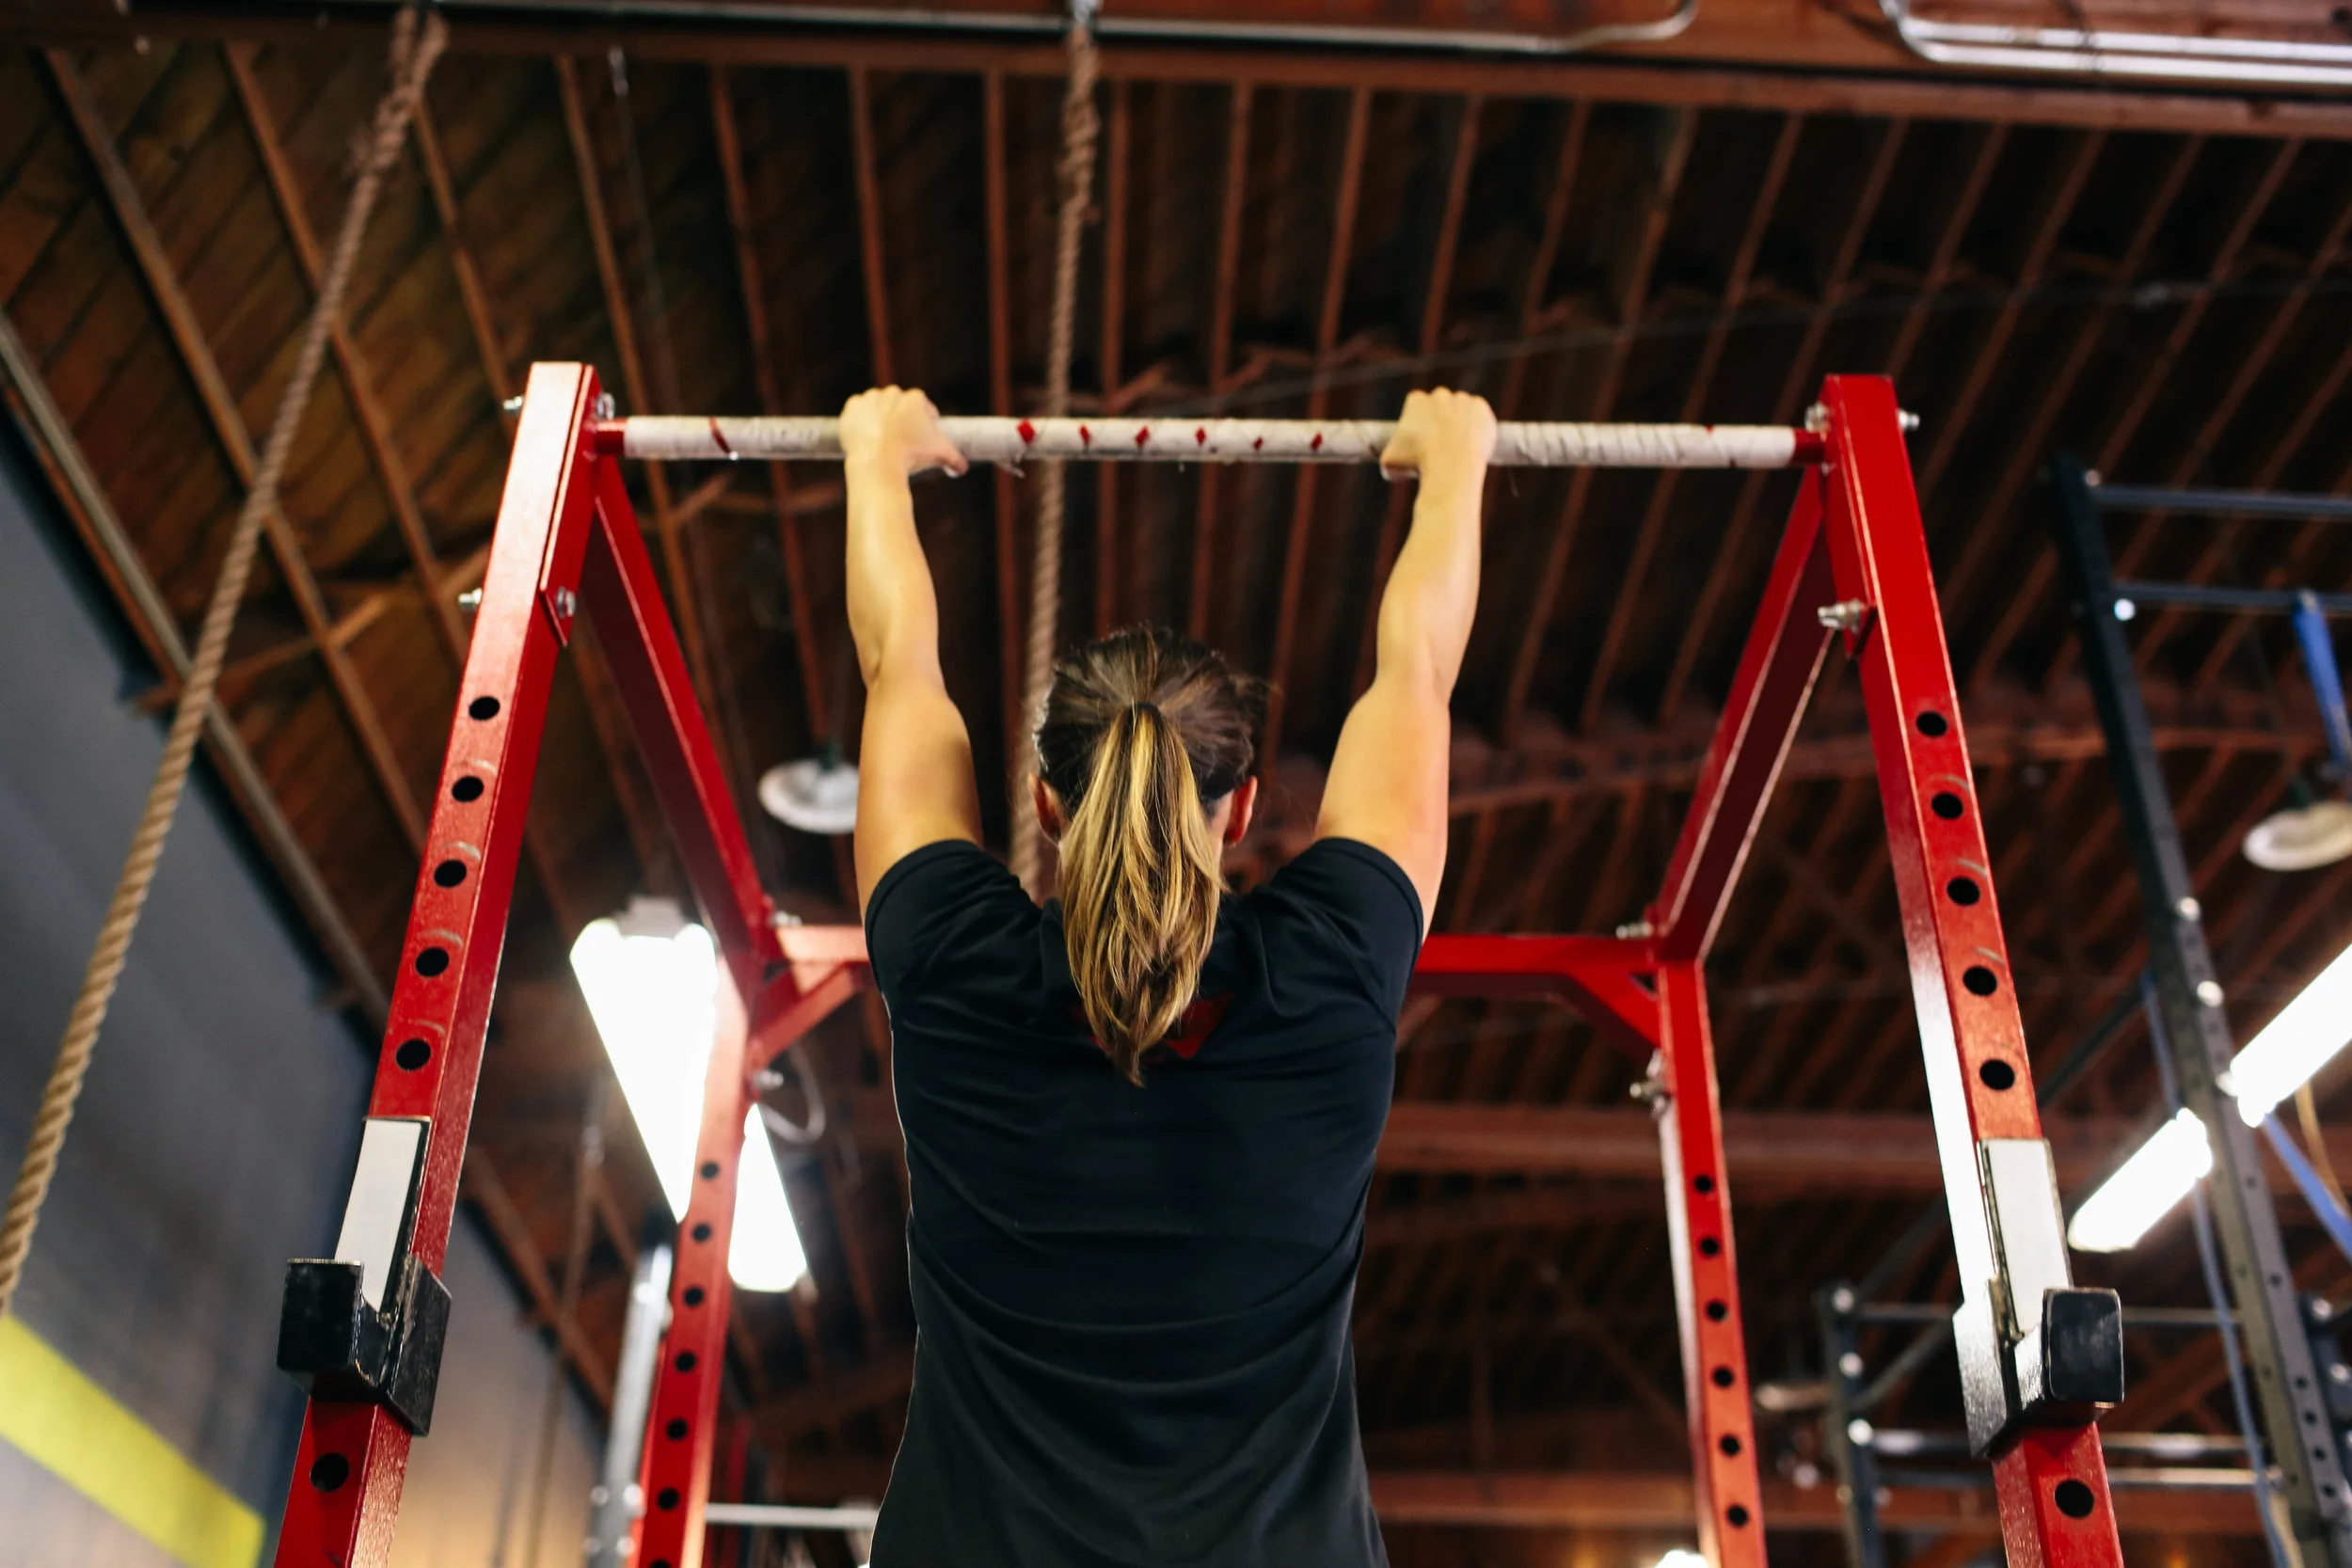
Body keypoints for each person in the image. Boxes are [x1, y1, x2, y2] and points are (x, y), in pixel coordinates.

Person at [842, 384, 1496, 1567]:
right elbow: (1420, 671)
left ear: (1042, 803)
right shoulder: (1330, 972)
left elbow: (897, 665)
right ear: (1241, 809)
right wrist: (1454, 462)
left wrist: (874, 456)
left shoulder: (952, 961)